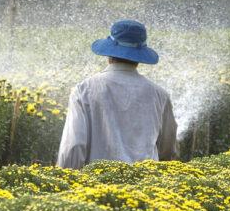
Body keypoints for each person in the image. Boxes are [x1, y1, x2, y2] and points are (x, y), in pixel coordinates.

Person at [56, 19, 178, 169]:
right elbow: (168, 149)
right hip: (145, 187)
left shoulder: (84, 90)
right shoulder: (159, 95)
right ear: (139, 57)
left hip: (95, 186)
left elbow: (73, 147)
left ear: (109, 54)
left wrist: (67, 182)